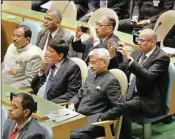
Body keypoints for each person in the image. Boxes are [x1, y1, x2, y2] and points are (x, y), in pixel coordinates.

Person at [111, 29, 170, 139]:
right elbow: (122, 69)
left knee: (122, 106)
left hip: (147, 98)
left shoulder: (162, 58)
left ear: (152, 42)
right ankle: (108, 133)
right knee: (105, 97)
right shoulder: (138, 52)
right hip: (129, 91)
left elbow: (148, 76)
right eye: (138, 39)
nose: (138, 42)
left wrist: (129, 58)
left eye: (142, 40)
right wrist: (113, 55)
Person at [68, 48, 124, 139]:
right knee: (54, 128)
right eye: (90, 63)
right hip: (79, 118)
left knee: (69, 135)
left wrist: (101, 118)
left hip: (95, 124)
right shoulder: (90, 76)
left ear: (104, 63)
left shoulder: (111, 81)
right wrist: (72, 103)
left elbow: (120, 106)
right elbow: (79, 94)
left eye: (94, 63)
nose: (90, 66)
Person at [31, 38, 82, 103]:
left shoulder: (72, 68)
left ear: (60, 56)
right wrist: (42, 69)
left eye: (50, 51)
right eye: (47, 50)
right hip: (36, 98)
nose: (46, 53)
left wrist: (51, 103)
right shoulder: (47, 62)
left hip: (51, 103)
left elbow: (72, 93)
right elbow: (33, 86)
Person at [2, 25, 43, 89]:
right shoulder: (11, 46)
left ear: (27, 39)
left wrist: (8, 88)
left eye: (18, 36)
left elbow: (30, 80)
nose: (14, 39)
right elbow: (3, 64)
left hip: (13, 88)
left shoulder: (34, 55)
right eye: (14, 35)